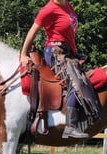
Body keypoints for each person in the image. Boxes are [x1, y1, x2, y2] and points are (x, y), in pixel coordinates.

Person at [20, 0, 89, 139]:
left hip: (68, 52)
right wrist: (23, 53)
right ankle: (70, 126)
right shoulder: (49, 9)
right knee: (75, 81)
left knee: (82, 78)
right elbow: (32, 31)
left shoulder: (67, 5)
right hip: (54, 51)